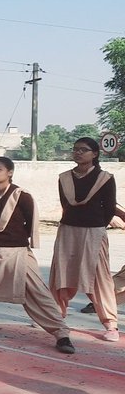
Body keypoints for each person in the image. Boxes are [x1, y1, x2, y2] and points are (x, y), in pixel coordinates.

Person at [0, 157, 76, 355]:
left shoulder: (22, 195)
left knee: (38, 293)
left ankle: (61, 333)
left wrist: (16, 240)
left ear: (10, 172)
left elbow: (30, 222)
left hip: (18, 251)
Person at [49, 137, 119, 342]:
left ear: (94, 154)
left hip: (94, 232)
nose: (78, 153)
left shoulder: (105, 178)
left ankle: (110, 324)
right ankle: (56, 317)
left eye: (83, 150)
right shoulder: (64, 178)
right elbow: (65, 204)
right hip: (68, 230)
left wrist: (96, 225)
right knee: (62, 272)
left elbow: (109, 208)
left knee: (99, 277)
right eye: (75, 149)